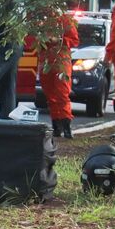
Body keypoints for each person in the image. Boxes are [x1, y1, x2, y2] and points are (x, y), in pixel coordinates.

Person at [32, 10, 80, 138]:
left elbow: (74, 41)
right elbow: (30, 40)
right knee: (50, 95)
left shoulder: (65, 20)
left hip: (61, 61)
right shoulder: (39, 20)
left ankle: (67, 127)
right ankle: (56, 126)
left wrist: (58, 40)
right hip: (46, 62)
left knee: (62, 94)